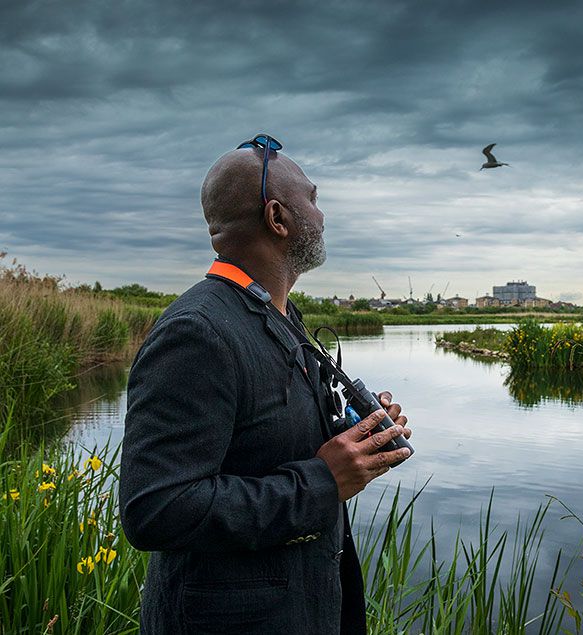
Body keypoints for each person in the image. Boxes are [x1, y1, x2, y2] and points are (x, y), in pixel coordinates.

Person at [119, 134, 412, 634]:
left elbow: (273, 444)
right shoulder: (198, 333)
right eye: (313, 200)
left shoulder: (277, 314)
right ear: (278, 219)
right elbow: (156, 508)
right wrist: (323, 481)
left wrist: (358, 443)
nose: (323, 215)